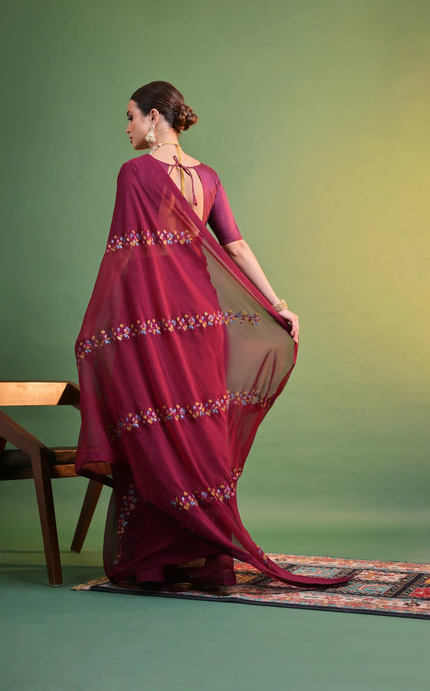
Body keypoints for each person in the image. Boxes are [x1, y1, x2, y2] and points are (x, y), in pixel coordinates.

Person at [75, 81, 351, 592]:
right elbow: (237, 246)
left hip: (156, 323)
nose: (128, 127)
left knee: (154, 430)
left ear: (155, 117)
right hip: (204, 322)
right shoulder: (210, 177)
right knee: (200, 434)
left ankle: (153, 564)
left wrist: (99, 327)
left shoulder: (134, 174)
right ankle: (213, 563)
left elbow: (124, 257)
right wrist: (277, 305)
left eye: (131, 116)